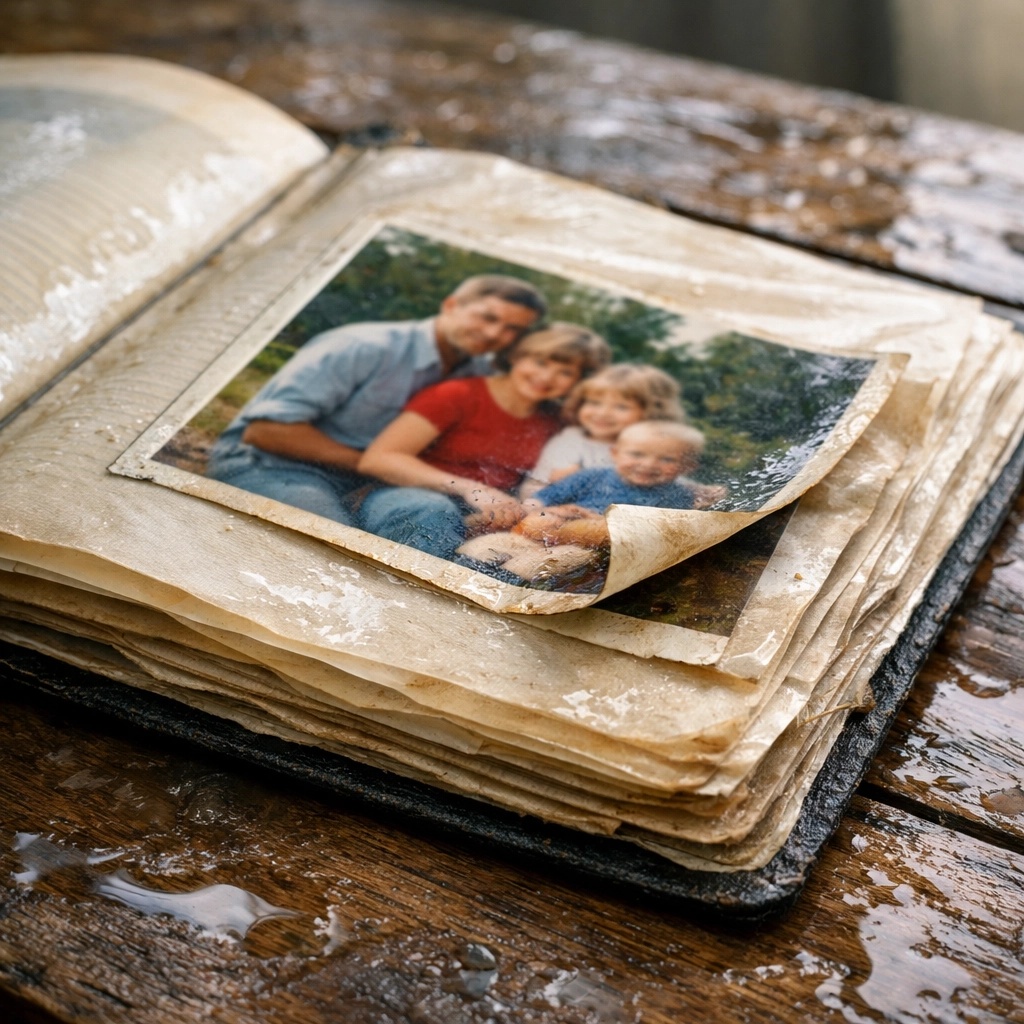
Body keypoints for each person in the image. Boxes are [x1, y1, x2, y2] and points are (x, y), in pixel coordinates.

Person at [206, 275, 547, 525]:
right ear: (451, 306)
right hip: (272, 464)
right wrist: (380, 465)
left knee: (426, 521)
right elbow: (265, 432)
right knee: (332, 539)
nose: (494, 335)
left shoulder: (481, 373)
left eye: (513, 330)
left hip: (373, 481)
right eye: (487, 317)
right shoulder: (363, 346)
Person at [356, 323, 611, 561]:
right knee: (434, 511)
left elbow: (551, 483)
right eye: (540, 362)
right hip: (411, 497)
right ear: (516, 356)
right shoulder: (456, 395)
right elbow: (378, 459)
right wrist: (470, 489)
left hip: (494, 512)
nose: (547, 377)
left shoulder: (558, 423)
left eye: (565, 372)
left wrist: (562, 510)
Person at [514, 421, 707, 550]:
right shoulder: (592, 476)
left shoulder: (678, 495)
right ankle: (499, 553)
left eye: (666, 459)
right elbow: (548, 496)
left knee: (568, 557)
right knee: (535, 523)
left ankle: (521, 572)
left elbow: (659, 532)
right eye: (637, 454)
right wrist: (532, 508)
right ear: (615, 454)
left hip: (604, 544)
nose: (648, 465)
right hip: (563, 525)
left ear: (687, 467)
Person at [520, 363, 684, 498]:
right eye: (594, 403)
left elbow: (672, 482)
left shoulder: (656, 446)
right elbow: (534, 487)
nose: (602, 413)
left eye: (621, 407)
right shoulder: (572, 440)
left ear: (652, 412)